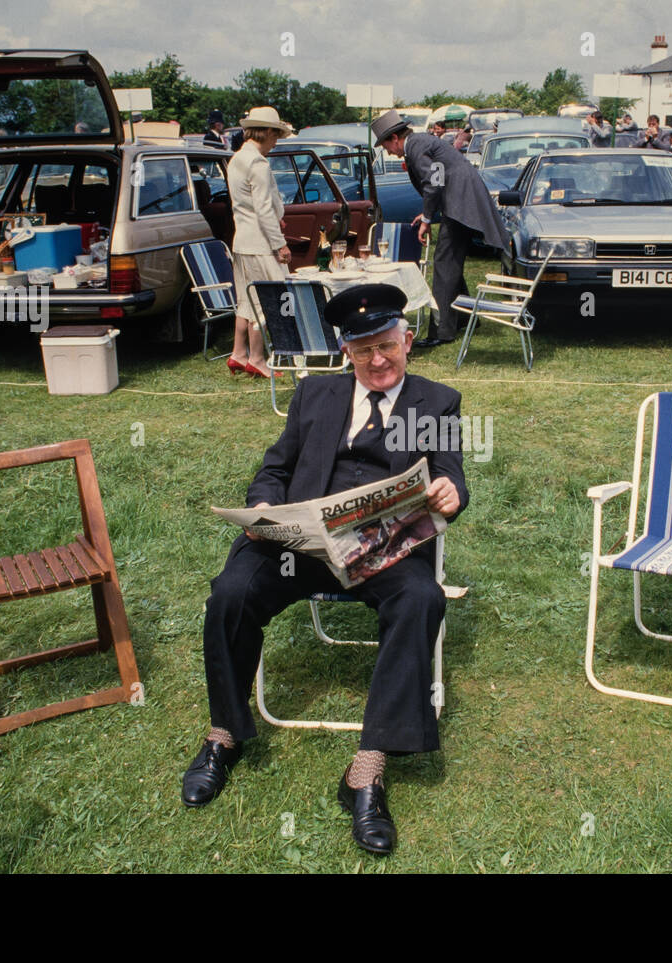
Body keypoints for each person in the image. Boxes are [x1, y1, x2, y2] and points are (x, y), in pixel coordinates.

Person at [183, 283, 468, 855]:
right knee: (230, 592)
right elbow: (274, 468)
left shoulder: (436, 403)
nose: (378, 361)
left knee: (422, 598)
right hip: (304, 547)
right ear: (346, 353)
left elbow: (452, 476)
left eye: (387, 346)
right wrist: (263, 505)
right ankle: (225, 733)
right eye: (363, 352)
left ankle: (367, 767)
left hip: (380, 552)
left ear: (407, 340)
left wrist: (448, 492)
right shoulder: (314, 396)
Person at [371, 108, 511, 348]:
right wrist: (426, 212)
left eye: (386, 147)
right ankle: (465, 318)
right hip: (460, 200)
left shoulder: (415, 146)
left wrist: (427, 218)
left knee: (444, 263)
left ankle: (443, 332)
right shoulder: (419, 142)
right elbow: (438, 179)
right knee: (451, 260)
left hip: (461, 202)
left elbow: (434, 181)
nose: (390, 153)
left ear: (395, 138)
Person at [226, 105, 295, 378]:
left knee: (246, 299)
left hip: (242, 239)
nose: (276, 141)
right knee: (267, 299)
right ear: (265, 132)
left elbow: (251, 205)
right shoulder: (258, 163)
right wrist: (280, 243)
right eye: (275, 134)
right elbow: (264, 209)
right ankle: (256, 357)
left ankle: (238, 353)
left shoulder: (237, 159)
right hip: (259, 243)